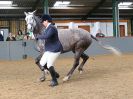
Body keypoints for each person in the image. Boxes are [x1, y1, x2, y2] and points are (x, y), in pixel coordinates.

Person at [36, 14, 63, 87]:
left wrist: (37, 36)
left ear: (47, 21)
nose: (42, 23)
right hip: (49, 49)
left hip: (55, 49)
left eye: (43, 21)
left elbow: (46, 36)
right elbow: (44, 35)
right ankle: (55, 74)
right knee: (42, 63)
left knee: (49, 64)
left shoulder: (51, 28)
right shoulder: (47, 28)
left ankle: (55, 81)